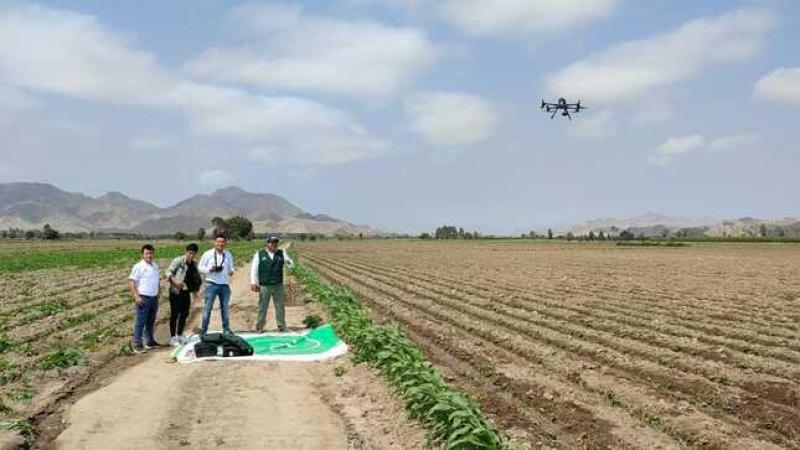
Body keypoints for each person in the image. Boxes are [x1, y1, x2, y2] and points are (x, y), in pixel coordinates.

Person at [250, 236, 294, 332]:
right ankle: (260, 326)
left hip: (278, 284)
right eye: (271, 243)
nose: (273, 245)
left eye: (275, 243)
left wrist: (289, 262)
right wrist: (253, 282)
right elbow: (254, 269)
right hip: (265, 285)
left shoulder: (281, 253)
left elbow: (291, 265)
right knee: (263, 306)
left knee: (280, 306)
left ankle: (281, 325)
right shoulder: (260, 254)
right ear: (267, 243)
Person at [165, 243, 202, 346]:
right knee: (175, 313)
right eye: (189, 253)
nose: (191, 255)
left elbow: (196, 279)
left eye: (193, 254)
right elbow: (168, 272)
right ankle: (173, 337)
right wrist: (175, 281)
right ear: (186, 252)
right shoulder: (178, 261)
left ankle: (179, 335)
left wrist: (195, 292)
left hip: (186, 292)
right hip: (175, 291)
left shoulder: (194, 264)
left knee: (184, 313)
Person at [128, 244, 162, 353]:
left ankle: (149, 341)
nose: (149, 255)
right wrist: (136, 296)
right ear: (142, 254)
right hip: (143, 297)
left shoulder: (155, 266)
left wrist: (158, 293)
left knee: (151, 321)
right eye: (147, 253)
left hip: (154, 297)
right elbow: (132, 281)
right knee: (140, 322)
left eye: (151, 253)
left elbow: (157, 281)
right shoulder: (138, 266)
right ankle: (137, 344)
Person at [198, 234, 235, 335]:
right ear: (214, 242)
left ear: (225, 243)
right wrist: (209, 269)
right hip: (211, 284)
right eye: (218, 241)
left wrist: (231, 271)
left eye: (223, 242)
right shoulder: (207, 254)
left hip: (224, 285)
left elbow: (232, 267)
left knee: (225, 308)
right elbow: (200, 267)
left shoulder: (228, 254)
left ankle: (226, 329)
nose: (221, 244)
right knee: (208, 308)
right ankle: (204, 329)